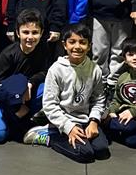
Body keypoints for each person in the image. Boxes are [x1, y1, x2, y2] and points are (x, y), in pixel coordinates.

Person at [24, 22, 109, 164]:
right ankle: (49, 137)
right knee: (85, 154)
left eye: (82, 42)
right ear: (65, 45)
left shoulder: (95, 70)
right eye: (72, 42)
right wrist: (69, 127)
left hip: (85, 120)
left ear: (89, 46)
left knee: (101, 151)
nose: (77, 47)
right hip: (63, 122)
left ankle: (82, 134)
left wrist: (94, 121)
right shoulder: (56, 70)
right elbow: (50, 105)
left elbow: (99, 99)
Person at [0, 9, 50, 144]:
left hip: (24, 93)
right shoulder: (8, 55)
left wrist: (30, 83)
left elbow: (46, 72)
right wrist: (16, 107)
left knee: (48, 86)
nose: (30, 37)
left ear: (41, 33)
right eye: (25, 32)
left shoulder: (44, 49)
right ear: (18, 33)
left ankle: (19, 121)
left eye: (35, 32)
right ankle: (11, 120)